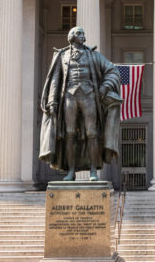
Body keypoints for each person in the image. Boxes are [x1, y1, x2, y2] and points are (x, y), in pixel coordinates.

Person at [39, 27, 121, 180]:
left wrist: (104, 87)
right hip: (69, 97)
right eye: (79, 33)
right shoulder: (61, 56)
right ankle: (71, 171)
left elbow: (112, 70)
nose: (82, 36)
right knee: (69, 134)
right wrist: (52, 100)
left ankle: (93, 171)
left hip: (89, 96)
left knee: (92, 133)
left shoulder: (94, 55)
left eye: (83, 33)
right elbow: (56, 79)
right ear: (71, 37)